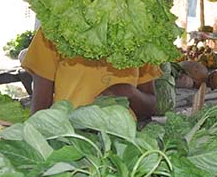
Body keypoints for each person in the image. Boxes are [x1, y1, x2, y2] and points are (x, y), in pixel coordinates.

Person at [21, 29, 159, 119]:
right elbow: (39, 112)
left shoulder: (140, 33)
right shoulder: (54, 30)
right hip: (69, 141)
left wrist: (129, 93)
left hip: (123, 145)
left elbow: (150, 107)